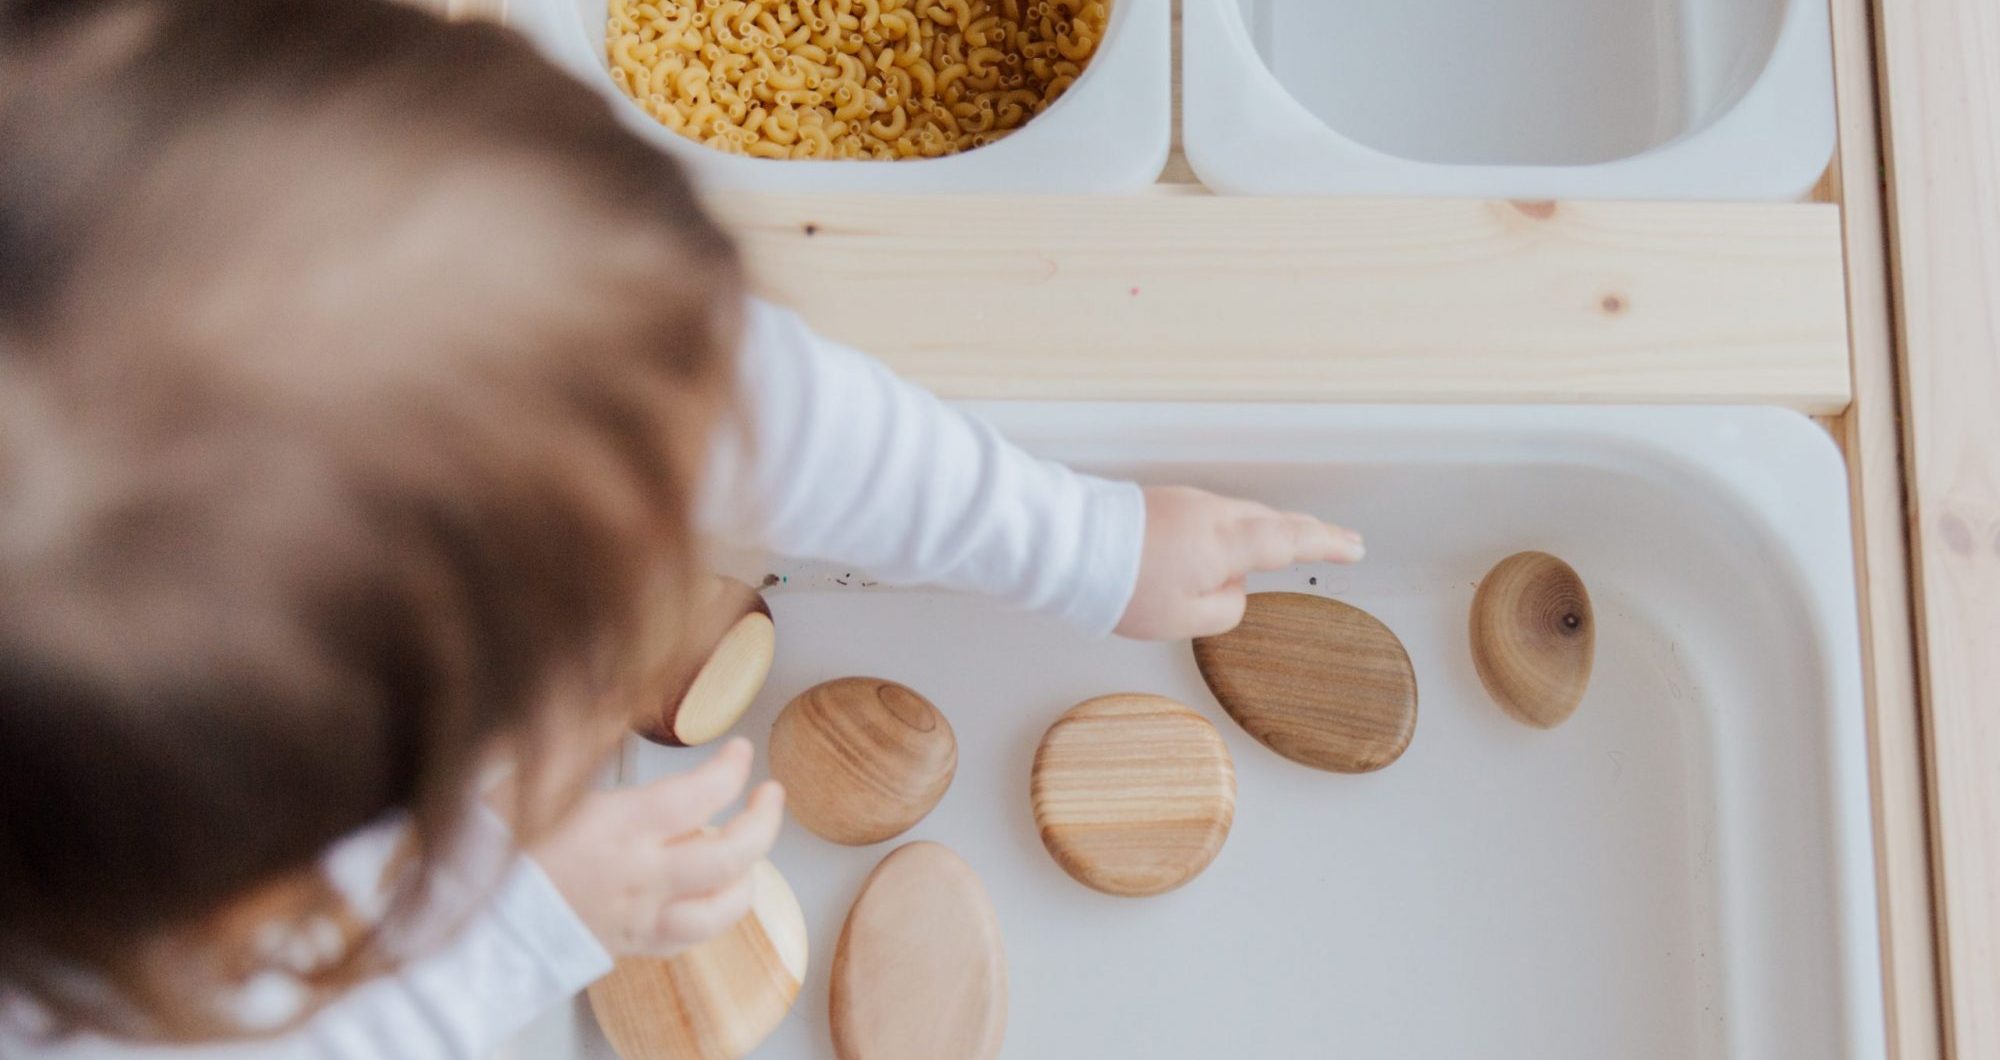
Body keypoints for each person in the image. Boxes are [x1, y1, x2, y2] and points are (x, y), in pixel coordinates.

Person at [0, 0, 1364, 1055]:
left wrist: (1078, 541)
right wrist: (517, 922)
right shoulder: (96, 984)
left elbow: (711, 398)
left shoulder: (334, 261)